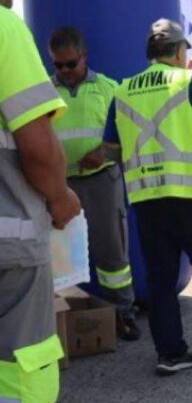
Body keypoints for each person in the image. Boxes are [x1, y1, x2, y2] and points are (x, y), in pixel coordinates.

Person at [103, 18, 192, 375]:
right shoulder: (191, 80)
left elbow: (109, 149)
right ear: (180, 51)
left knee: (160, 278)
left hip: (147, 201)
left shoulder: (121, 92)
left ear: (150, 53)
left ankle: (170, 354)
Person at [0, 0, 80, 403]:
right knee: (23, 382)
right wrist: (60, 199)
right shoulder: (4, 27)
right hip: (10, 248)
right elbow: (38, 144)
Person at [48, 26, 139, 340]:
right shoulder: (44, 92)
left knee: (112, 252)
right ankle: (57, 322)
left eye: (70, 64)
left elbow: (130, 134)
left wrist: (104, 152)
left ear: (84, 57)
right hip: (58, 186)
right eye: (58, 65)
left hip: (101, 180)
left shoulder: (108, 89)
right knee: (55, 253)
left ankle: (123, 314)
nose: (64, 72)